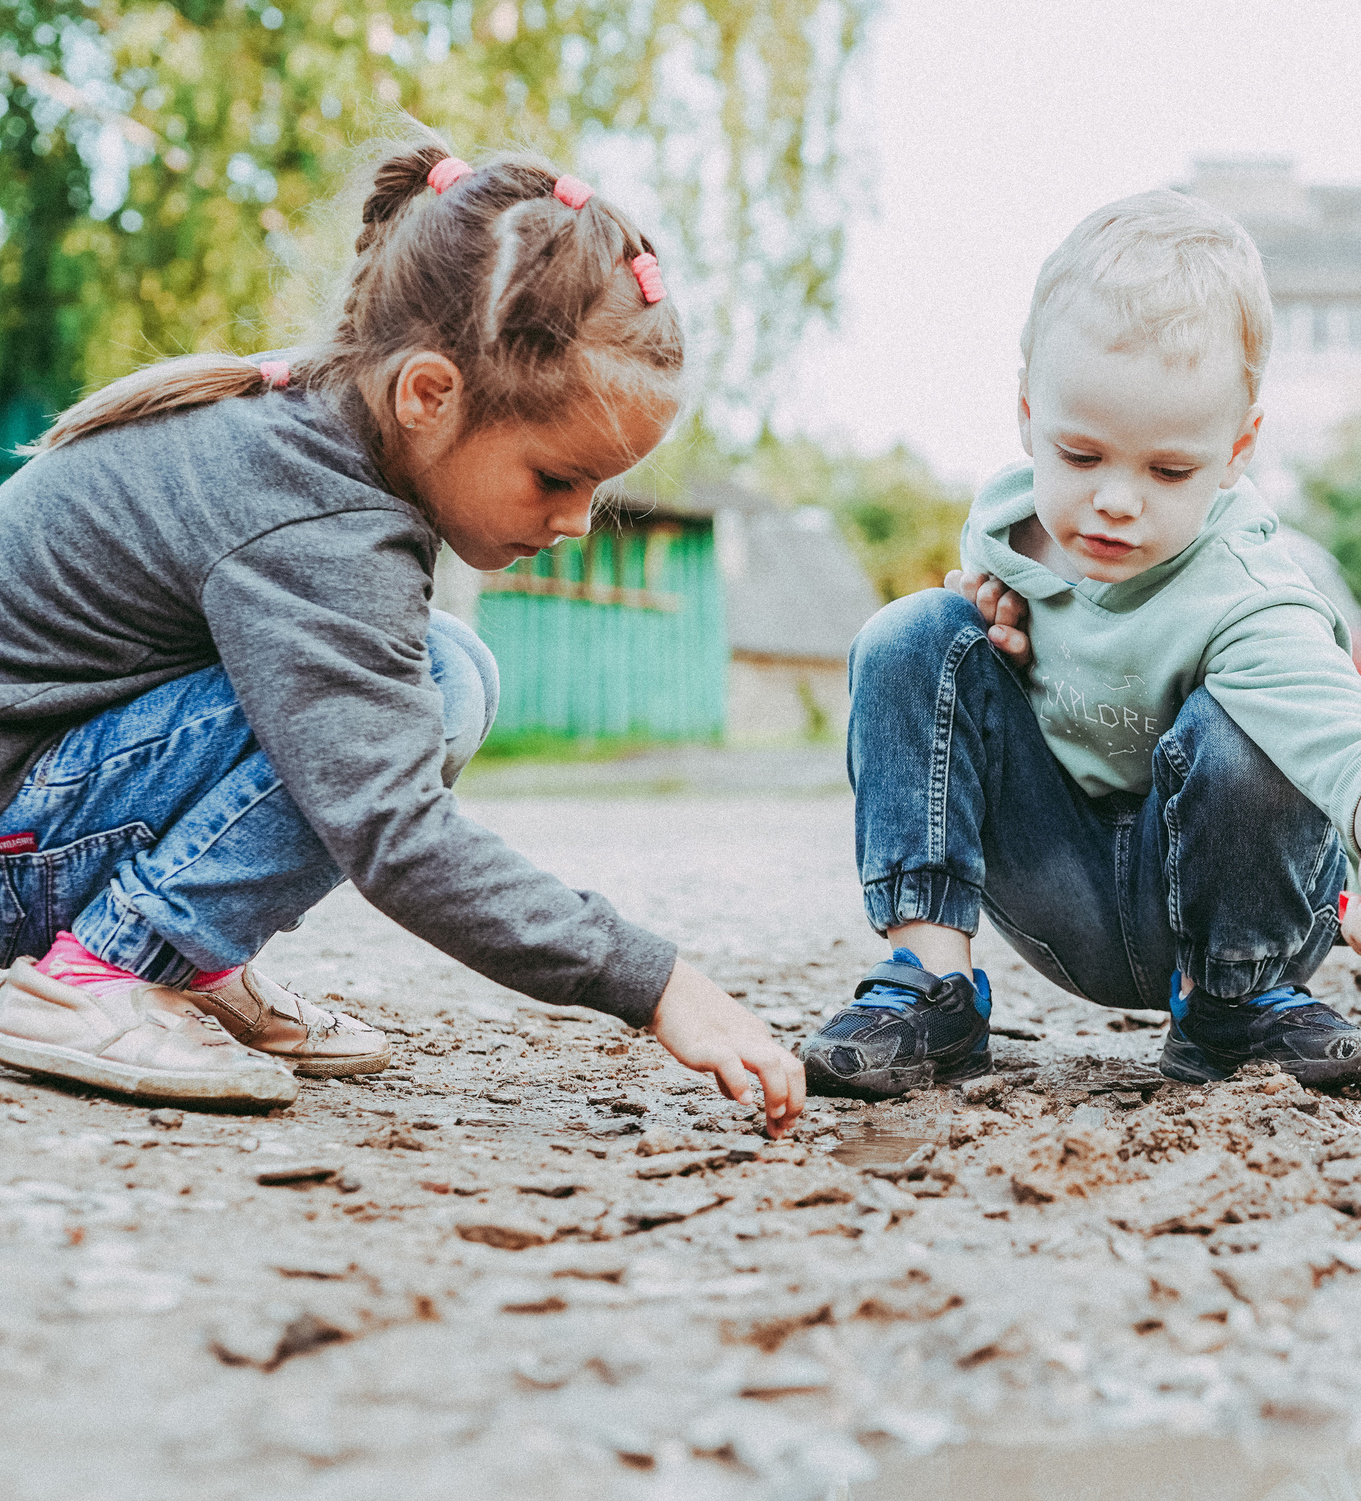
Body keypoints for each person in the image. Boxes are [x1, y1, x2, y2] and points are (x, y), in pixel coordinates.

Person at [0, 137, 803, 1131]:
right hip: (17, 850)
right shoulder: (316, 519)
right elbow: (393, 830)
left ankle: (183, 959)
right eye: (557, 477)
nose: (575, 523)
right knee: (427, 680)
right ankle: (104, 972)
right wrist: (658, 982)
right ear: (429, 395)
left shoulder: (311, 428)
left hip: (42, 815)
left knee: (445, 668)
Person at [804, 190, 1361, 1099]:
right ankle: (930, 986)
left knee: (1247, 719)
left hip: (1234, 907)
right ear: (1029, 415)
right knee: (912, 634)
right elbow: (964, 713)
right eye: (1081, 454)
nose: (1115, 499)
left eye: (1168, 470)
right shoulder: (1005, 543)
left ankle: (1237, 1003)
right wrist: (1005, 669)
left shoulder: (1249, 595)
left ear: (1237, 450)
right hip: (1073, 896)